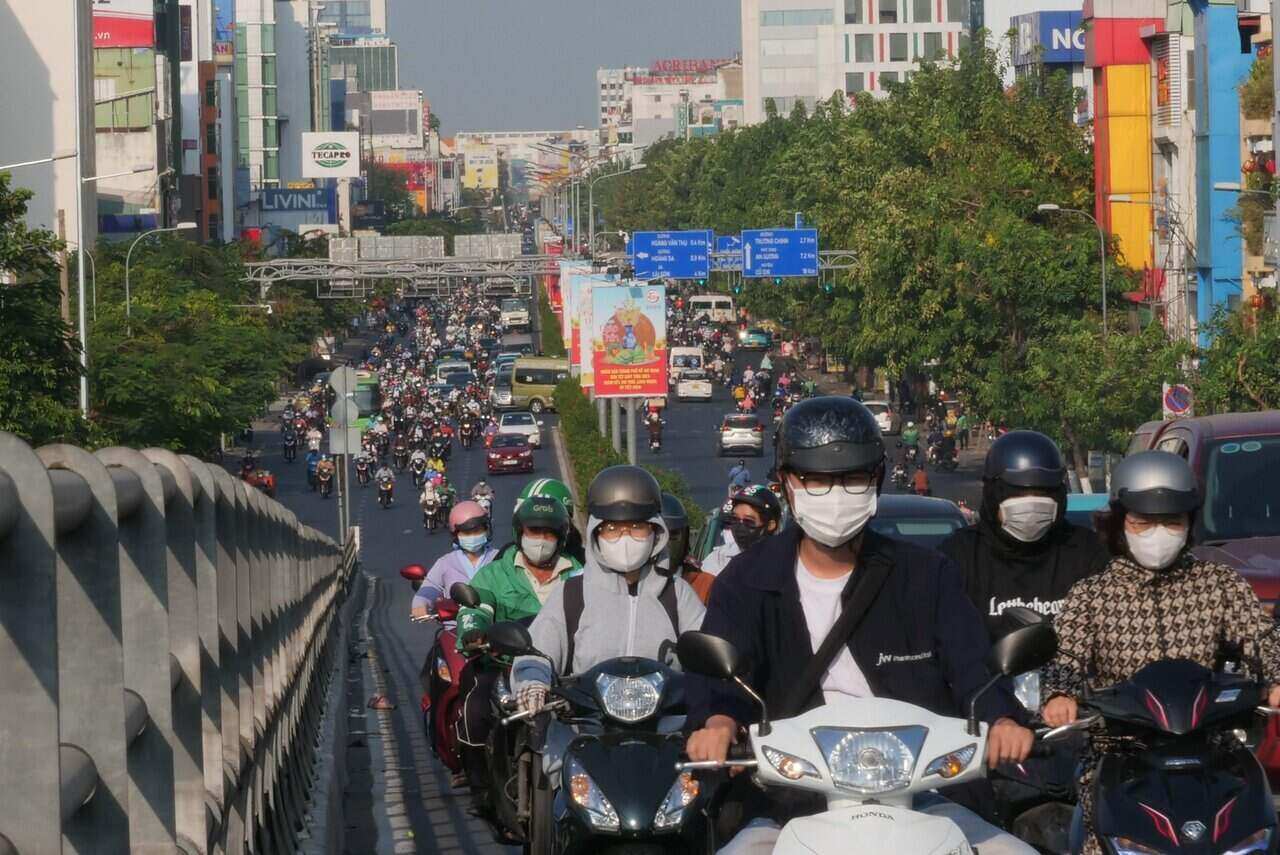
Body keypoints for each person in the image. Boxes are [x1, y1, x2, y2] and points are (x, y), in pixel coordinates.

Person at [685, 396, 1036, 855]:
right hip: (790, 798)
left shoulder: (927, 575)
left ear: (876, 480)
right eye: (817, 479)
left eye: (852, 479)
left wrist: (1004, 719)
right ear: (787, 483)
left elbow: (972, 665)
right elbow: (721, 674)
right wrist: (717, 721)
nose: (835, 494)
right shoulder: (747, 579)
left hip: (924, 795)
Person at [1040, 451, 1280, 854]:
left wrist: (1276, 677)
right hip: (1119, 756)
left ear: (1189, 524)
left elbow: (1261, 637)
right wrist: (1058, 696)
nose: (1158, 532)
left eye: (1171, 522)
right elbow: (1065, 658)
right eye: (1143, 522)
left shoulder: (1218, 584)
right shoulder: (1092, 595)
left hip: (1212, 752)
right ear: (1119, 523)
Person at [510, 466, 705, 713]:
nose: (625, 538)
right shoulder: (572, 594)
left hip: (665, 730)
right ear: (596, 533)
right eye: (612, 529)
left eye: (637, 527)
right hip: (584, 729)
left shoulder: (677, 594)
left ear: (655, 532)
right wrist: (533, 682)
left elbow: (709, 654)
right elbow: (538, 650)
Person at [452, 495, 583, 807]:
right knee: (474, 708)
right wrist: (474, 631)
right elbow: (476, 607)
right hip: (503, 662)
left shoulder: (581, 575)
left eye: (549, 533)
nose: (540, 540)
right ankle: (481, 788)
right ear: (519, 533)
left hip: (563, 669)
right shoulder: (494, 574)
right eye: (533, 531)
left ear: (562, 537)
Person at [939, 430, 1109, 641]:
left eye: (1041, 493)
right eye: (1017, 493)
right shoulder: (960, 556)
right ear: (993, 494)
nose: (1030, 505)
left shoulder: (1086, 552)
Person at [410, 501, 501, 618]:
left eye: (477, 531)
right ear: (456, 535)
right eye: (467, 532)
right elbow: (430, 587)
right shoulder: (445, 563)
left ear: (486, 530)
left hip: (493, 625)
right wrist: (420, 605)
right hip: (454, 627)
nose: (473, 535)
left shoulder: (500, 558)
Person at [701, 485, 784, 577]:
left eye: (748, 521)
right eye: (735, 519)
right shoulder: (719, 559)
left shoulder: (786, 560)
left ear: (770, 525)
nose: (740, 527)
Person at [658, 492, 716, 604]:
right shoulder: (627, 586)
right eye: (657, 536)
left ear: (685, 538)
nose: (665, 543)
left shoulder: (706, 585)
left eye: (673, 534)